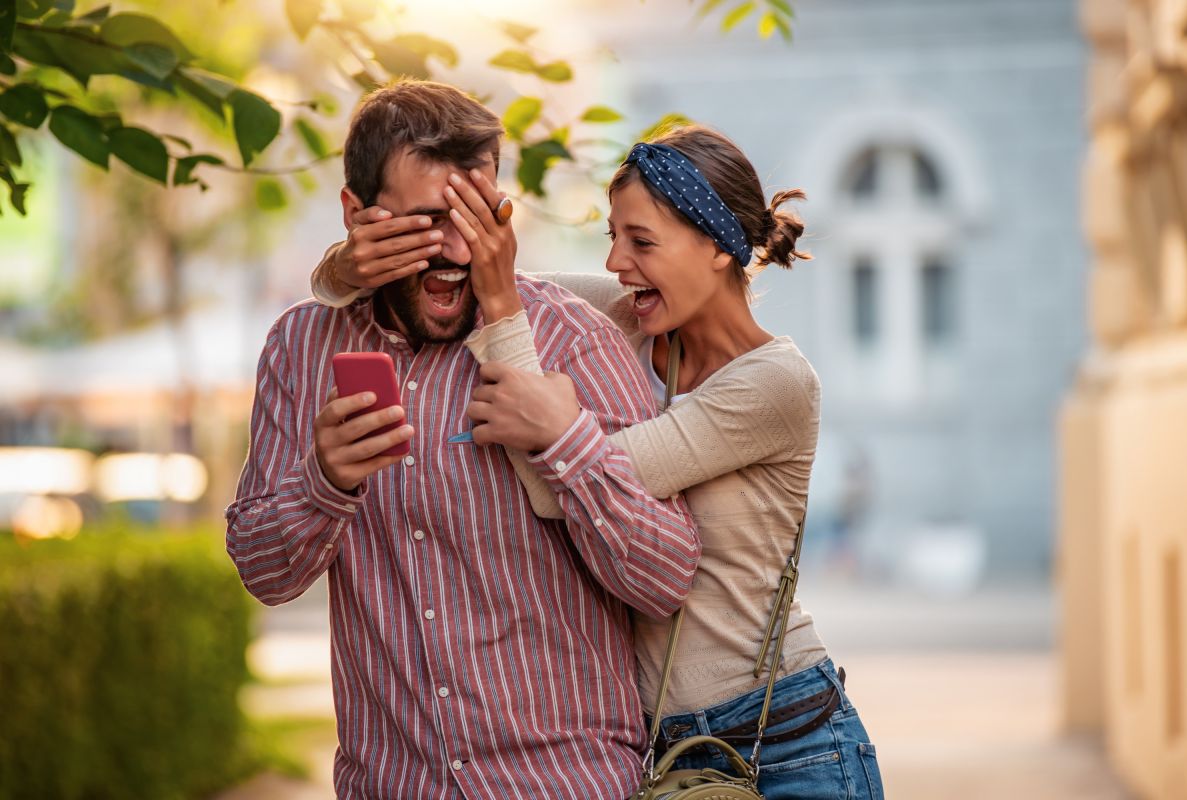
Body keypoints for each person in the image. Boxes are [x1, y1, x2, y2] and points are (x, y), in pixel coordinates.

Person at [313, 125, 885, 798]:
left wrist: (547, 402)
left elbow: (571, 486)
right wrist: (346, 267)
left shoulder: (774, 384)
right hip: (663, 753)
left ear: (716, 246)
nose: (616, 262)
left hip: (788, 743)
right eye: (612, 237)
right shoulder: (628, 320)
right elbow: (463, 274)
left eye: (641, 241)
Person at [226, 79, 701, 800]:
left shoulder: (568, 340)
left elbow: (663, 578)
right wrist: (324, 480)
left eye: (476, 218)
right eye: (424, 222)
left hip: (565, 784)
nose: (455, 251)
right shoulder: (300, 348)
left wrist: (565, 442)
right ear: (358, 215)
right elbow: (264, 574)